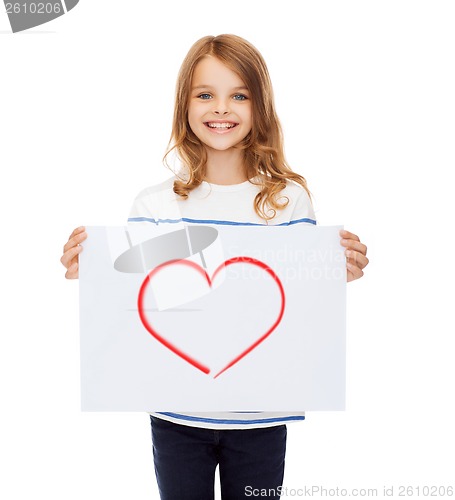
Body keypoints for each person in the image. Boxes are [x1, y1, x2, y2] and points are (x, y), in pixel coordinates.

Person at [61, 34, 369, 500]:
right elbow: (145, 296)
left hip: (261, 414)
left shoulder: (287, 200)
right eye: (205, 94)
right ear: (184, 104)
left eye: (238, 95)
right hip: (176, 414)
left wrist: (336, 272)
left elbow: (296, 298)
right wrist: (95, 273)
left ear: (259, 106)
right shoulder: (155, 202)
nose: (220, 108)